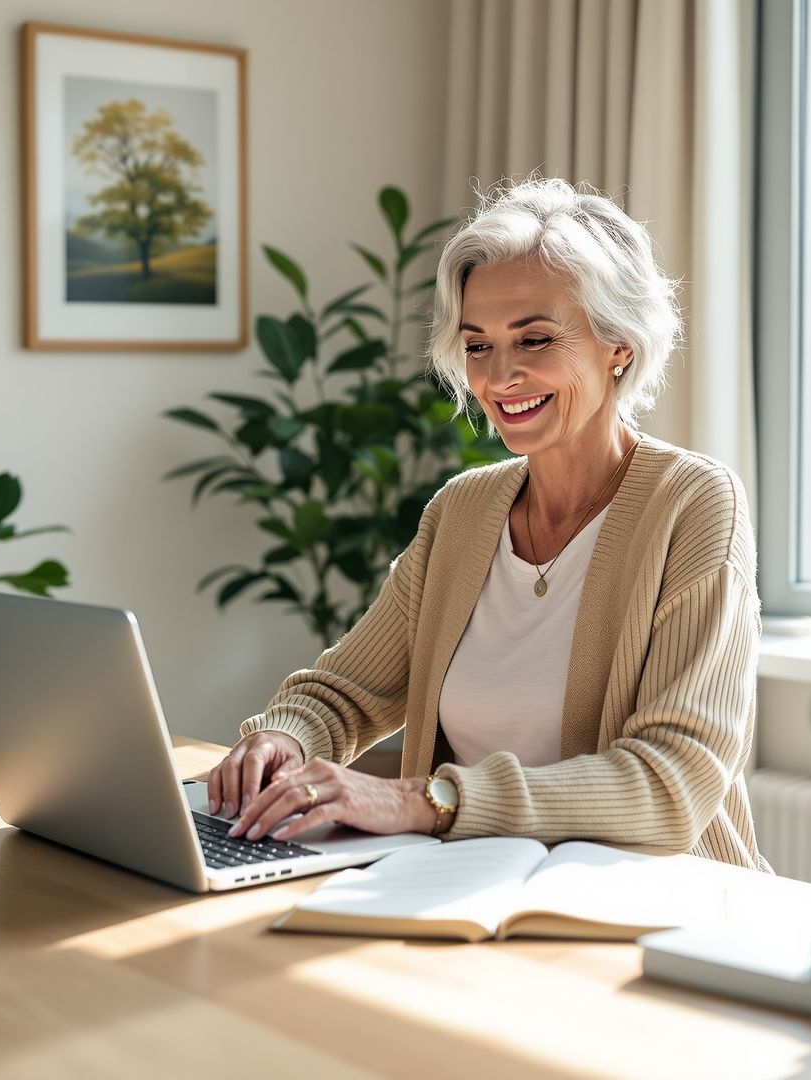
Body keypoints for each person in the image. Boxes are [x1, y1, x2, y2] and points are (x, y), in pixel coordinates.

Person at [208, 177, 769, 871]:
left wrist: (428, 800)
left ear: (619, 343)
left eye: (534, 339)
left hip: (650, 913)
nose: (501, 376)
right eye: (477, 346)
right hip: (466, 889)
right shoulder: (462, 512)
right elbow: (344, 693)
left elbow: (669, 785)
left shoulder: (693, 503)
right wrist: (284, 740)